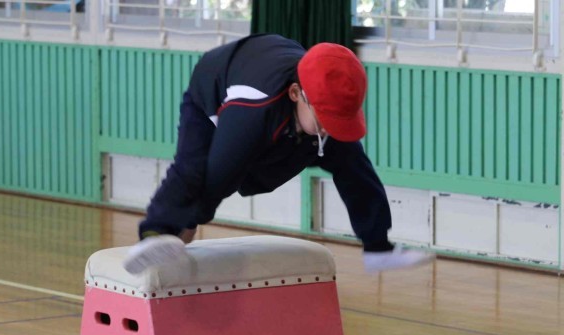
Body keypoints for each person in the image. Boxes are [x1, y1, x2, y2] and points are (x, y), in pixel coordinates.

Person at [123, 34, 433, 275]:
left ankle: (378, 248)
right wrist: (190, 222)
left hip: (276, 99)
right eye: (325, 119)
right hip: (211, 93)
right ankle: (155, 233)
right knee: (194, 169)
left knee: (353, 162)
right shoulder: (253, 112)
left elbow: (353, 169)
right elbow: (221, 175)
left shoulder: (317, 105)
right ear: (297, 94)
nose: (329, 128)